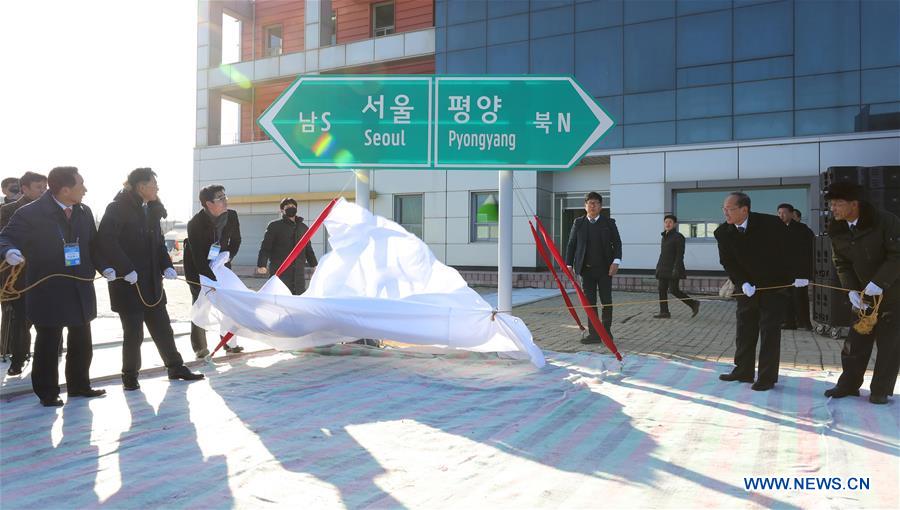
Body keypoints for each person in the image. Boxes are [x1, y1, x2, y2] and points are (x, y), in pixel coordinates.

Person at [0, 167, 108, 406]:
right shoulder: (31, 213)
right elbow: (5, 237)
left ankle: (80, 385)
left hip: (80, 285)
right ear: (65, 189)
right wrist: (9, 251)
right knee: (48, 341)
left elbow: (94, 245)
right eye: (81, 185)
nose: (86, 189)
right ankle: (47, 392)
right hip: (48, 287)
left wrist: (106, 267)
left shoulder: (84, 211)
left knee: (82, 338)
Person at [98, 168, 204, 390]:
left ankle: (175, 366)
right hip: (129, 282)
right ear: (141, 186)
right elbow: (107, 241)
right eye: (153, 184)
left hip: (152, 282)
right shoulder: (117, 208)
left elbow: (158, 243)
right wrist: (125, 268)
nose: (157, 188)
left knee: (163, 328)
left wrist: (167, 266)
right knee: (133, 333)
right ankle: (129, 375)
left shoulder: (150, 210)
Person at [714, 192, 808, 391]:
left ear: (744, 209)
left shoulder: (771, 224)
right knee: (745, 329)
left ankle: (766, 377)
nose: (725, 213)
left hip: (774, 286)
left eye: (729, 209)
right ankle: (743, 370)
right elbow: (727, 261)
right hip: (747, 288)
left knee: (769, 331)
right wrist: (743, 282)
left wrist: (801, 274)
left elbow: (793, 250)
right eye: (724, 209)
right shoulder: (722, 232)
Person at [822, 182, 900, 405]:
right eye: (831, 204)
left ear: (854, 204)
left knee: (889, 345)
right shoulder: (837, 227)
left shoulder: (885, 221)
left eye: (837, 204)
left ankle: (880, 390)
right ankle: (848, 385)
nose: (833, 209)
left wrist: (879, 282)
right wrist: (851, 290)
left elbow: (897, 255)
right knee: (855, 342)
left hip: (894, 294)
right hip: (865, 297)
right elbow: (841, 262)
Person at [184, 184, 242, 358]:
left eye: (225, 197)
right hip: (198, 267)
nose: (226, 201)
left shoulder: (231, 216)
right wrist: (209, 279)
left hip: (222, 264)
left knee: (229, 304)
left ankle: (229, 342)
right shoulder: (195, 223)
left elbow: (237, 240)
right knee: (201, 304)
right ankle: (200, 347)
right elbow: (197, 255)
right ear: (208, 203)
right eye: (221, 198)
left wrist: (228, 255)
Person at [0, 172, 47, 375]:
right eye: (39, 187)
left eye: (45, 187)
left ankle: (47, 359)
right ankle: (18, 360)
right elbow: (4, 239)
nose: (43, 191)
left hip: (47, 273)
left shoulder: (52, 211)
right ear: (24, 188)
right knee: (22, 320)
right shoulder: (8, 210)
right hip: (19, 274)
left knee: (49, 319)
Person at [565, 192, 622, 344]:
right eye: (590, 203)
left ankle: (607, 332)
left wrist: (616, 262)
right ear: (585, 206)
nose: (593, 205)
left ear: (601, 206)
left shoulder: (609, 223)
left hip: (605, 270)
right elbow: (571, 245)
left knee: (606, 301)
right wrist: (568, 265)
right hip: (586, 270)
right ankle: (594, 334)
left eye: (596, 203)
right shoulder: (579, 222)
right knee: (589, 303)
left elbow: (617, 243)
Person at [256, 198, 318, 294]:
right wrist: (261, 264)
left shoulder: (303, 228)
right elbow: (265, 247)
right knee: (279, 301)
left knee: (297, 300)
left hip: (298, 275)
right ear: (282, 210)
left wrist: (314, 265)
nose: (291, 208)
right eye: (288, 206)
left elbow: (308, 249)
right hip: (280, 273)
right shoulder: (274, 226)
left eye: (293, 206)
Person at [776, 203, 814, 330]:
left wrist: (807, 274)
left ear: (792, 214)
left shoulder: (802, 229)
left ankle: (805, 322)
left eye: (784, 213)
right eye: (779, 213)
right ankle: (788, 322)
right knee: (785, 297)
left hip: (799, 271)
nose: (781, 215)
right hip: (783, 270)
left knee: (800, 297)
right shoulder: (776, 228)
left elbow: (809, 252)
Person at [653, 214, 699, 319]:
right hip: (663, 268)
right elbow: (662, 254)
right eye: (666, 222)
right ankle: (664, 312)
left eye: (670, 222)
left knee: (674, 290)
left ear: (675, 224)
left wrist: (676, 269)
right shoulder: (664, 237)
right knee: (661, 289)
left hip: (673, 268)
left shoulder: (678, 237)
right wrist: (658, 267)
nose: (667, 224)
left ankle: (693, 304)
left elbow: (680, 255)